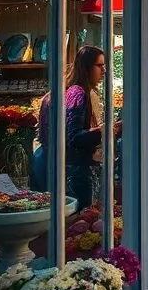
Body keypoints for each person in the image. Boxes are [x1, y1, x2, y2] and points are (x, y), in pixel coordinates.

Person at [31, 46, 111, 208]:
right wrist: (106, 130)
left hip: (49, 164)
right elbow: (73, 137)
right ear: (86, 67)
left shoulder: (64, 90)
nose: (104, 71)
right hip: (69, 171)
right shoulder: (78, 93)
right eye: (99, 66)